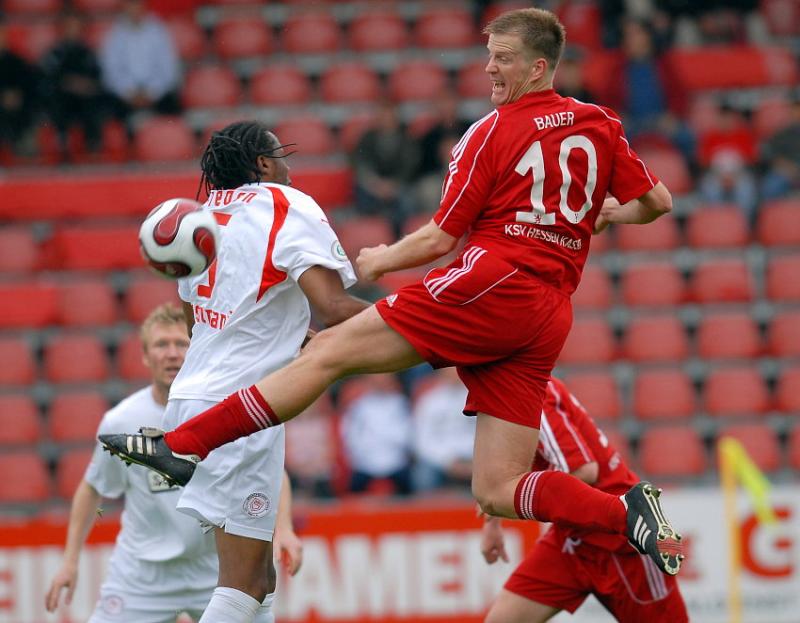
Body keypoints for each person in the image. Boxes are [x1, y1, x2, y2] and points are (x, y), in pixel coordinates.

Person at [101, 8, 683, 579]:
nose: (489, 68)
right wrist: (609, 213)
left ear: (538, 67)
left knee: (325, 353)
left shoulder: (489, 132)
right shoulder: (601, 123)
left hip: (493, 282)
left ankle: (182, 446)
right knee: (497, 487)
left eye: (503, 59)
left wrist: (380, 259)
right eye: (488, 56)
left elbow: (439, 239)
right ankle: (626, 510)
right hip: (549, 314)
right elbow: (658, 203)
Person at [105, 120, 368, 623]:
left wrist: (288, 335)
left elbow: (201, 325)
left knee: (259, 580)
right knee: (243, 585)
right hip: (239, 412)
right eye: (281, 155)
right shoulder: (285, 204)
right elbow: (333, 307)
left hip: (195, 402)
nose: (288, 167)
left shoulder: (201, 220)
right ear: (264, 164)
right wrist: (416, 322)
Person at [45, 304, 303, 622]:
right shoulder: (122, 421)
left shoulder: (225, 411)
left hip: (217, 570)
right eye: (161, 345)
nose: (171, 353)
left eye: (181, 344)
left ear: (196, 349)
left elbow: (269, 472)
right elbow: (92, 488)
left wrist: (284, 528)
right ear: (144, 356)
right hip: (143, 576)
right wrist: (70, 562)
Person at [481, 377, 688, 623]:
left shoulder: (527, 391)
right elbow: (504, 474)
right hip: (571, 537)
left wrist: (516, 504)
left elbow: (584, 470)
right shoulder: (503, 394)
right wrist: (493, 520)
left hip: (620, 539)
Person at [99, 0, 181, 125]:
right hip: (125, 95)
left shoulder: (159, 30)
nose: (134, 9)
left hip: (156, 93)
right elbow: (111, 70)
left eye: (137, 4)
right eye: (130, 4)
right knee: (109, 114)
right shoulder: (114, 33)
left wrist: (152, 93)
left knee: (173, 112)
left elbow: (168, 68)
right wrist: (129, 93)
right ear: (124, 7)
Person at [41, 10, 106, 157]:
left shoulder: (88, 53)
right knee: (56, 102)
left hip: (84, 99)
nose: (73, 30)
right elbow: (48, 78)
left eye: (76, 26)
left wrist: (85, 85)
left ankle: (93, 146)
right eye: (69, 26)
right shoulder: (55, 53)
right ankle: (62, 145)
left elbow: (98, 78)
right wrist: (68, 83)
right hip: (63, 98)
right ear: (62, 28)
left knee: (95, 102)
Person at [411, 367, 475, 492]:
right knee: (423, 475)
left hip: (474, 458)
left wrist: (473, 461)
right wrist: (448, 461)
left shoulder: (478, 398)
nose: (454, 374)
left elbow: (489, 435)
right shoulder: (430, 401)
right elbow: (422, 440)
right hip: (441, 459)